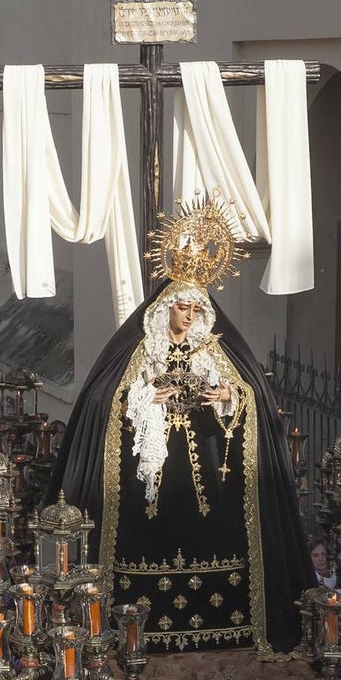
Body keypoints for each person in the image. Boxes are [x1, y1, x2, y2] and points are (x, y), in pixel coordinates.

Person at [46, 221, 313, 654]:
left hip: (210, 481)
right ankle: (131, 628)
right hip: (147, 484)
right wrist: (146, 398)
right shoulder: (137, 350)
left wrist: (228, 395)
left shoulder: (215, 350)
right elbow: (102, 401)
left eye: (195, 309)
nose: (189, 316)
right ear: (166, 306)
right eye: (182, 307)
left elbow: (252, 396)